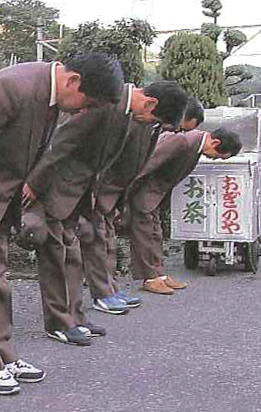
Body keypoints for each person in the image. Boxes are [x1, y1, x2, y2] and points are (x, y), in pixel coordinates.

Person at [0, 53, 124, 395]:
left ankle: (5, 355)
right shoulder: (11, 86)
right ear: (73, 81)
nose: (82, 111)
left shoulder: (50, 95)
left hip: (0, 198)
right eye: (86, 102)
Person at [23, 81, 188, 343]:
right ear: (150, 103)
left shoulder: (122, 109)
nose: (147, 124)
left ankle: (74, 317)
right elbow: (61, 142)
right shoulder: (104, 101)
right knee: (56, 259)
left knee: (72, 256)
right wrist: (34, 184)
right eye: (152, 120)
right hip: (56, 188)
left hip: (78, 194)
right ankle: (58, 323)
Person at [79, 97, 204, 315]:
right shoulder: (128, 120)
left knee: (109, 242)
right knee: (99, 242)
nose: (175, 130)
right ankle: (103, 294)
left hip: (114, 194)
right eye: (177, 126)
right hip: (103, 191)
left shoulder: (152, 127)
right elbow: (141, 166)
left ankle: (111, 290)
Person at [127, 128, 243, 295]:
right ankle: (149, 278)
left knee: (155, 233)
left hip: (155, 195)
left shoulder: (195, 145)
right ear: (215, 142)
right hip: (144, 193)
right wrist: (126, 195)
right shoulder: (182, 141)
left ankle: (159, 274)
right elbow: (146, 166)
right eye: (217, 155)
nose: (213, 158)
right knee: (144, 235)